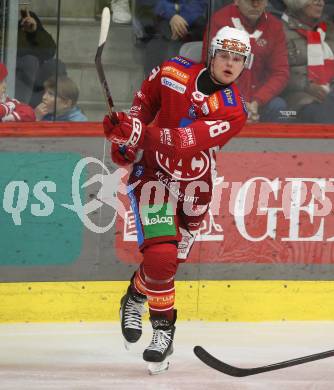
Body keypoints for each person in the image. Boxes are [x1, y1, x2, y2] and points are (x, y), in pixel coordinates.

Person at [103, 26, 250, 374]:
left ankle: (136, 296)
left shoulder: (233, 110)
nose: (230, 64)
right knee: (162, 255)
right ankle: (163, 331)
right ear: (211, 54)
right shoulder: (173, 70)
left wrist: (136, 133)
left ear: (245, 65)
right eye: (225, 55)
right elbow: (144, 102)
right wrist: (126, 137)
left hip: (193, 189)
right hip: (154, 177)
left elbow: (184, 140)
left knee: (163, 267)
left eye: (238, 59)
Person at [202, 0, 290, 122]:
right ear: (237, 1)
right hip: (226, 95)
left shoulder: (275, 26)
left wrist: (257, 101)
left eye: (260, 0)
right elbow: (212, 68)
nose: (255, 4)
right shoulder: (220, 21)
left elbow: (280, 72)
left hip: (259, 100)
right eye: (250, 1)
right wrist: (238, 103)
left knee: (282, 110)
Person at [281, 0, 334, 123]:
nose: (320, 3)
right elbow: (274, 72)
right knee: (322, 112)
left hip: (330, 94)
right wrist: (305, 85)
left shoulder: (329, 30)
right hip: (297, 99)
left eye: (322, 0)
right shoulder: (279, 30)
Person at [139, 0, 208, 76]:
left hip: (191, 21)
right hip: (157, 22)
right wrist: (172, 15)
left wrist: (179, 20)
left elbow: (200, 3)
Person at [16, 6, 66, 107]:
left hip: (34, 78)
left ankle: (60, 107)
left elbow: (50, 51)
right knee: (30, 61)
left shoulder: (28, 18)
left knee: (56, 64)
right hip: (15, 73)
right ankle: (21, 108)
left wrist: (34, 32)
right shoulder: (7, 19)